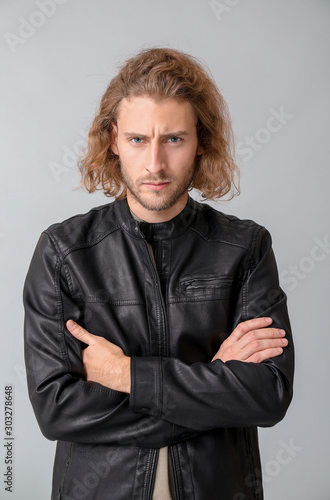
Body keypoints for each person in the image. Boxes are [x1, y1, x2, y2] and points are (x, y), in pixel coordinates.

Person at [23, 47, 294, 500]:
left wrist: (127, 375)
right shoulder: (64, 252)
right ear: (113, 140)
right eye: (137, 140)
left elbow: (267, 394)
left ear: (200, 140)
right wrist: (214, 383)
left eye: (173, 139)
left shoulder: (246, 248)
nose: (154, 165)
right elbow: (56, 409)